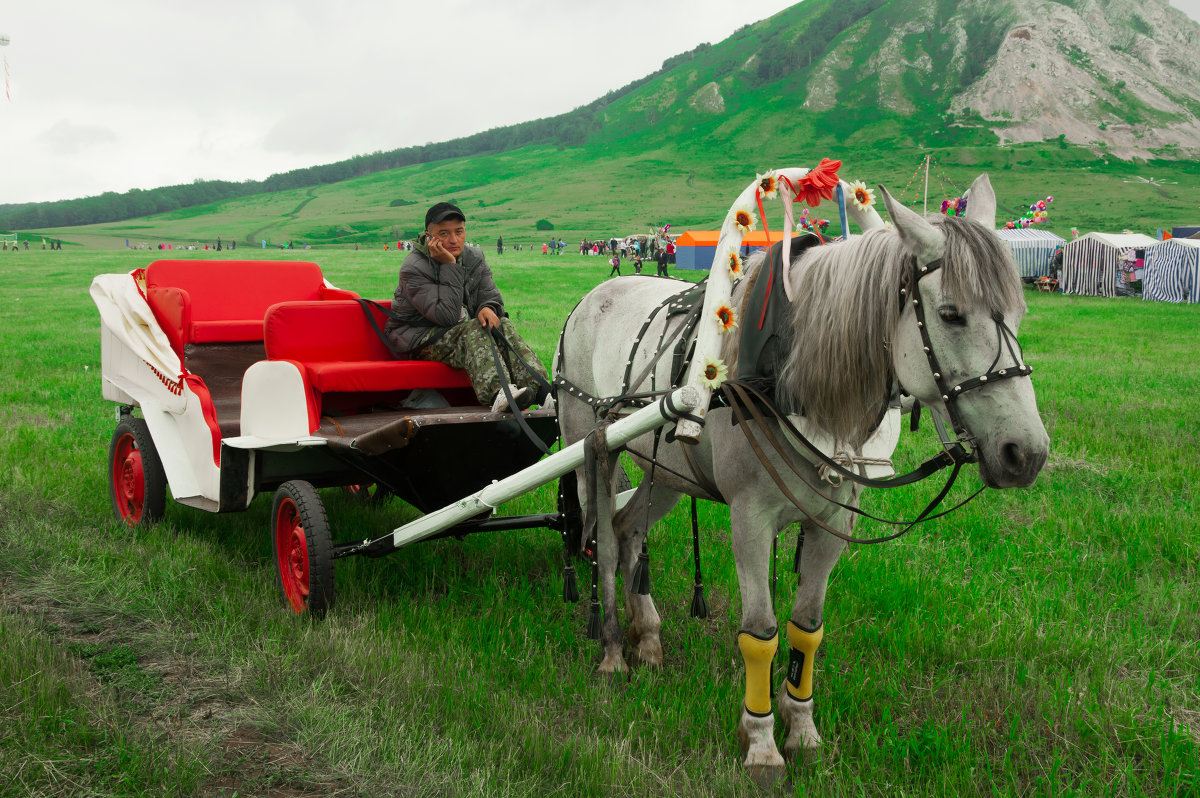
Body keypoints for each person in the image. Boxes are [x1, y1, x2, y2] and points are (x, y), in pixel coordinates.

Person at [385, 202, 548, 412]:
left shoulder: (474, 257)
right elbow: (447, 317)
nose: (453, 240)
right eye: (444, 233)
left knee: (503, 324)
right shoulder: (413, 267)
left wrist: (488, 307)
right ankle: (500, 394)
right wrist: (450, 265)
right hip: (419, 338)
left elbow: (490, 295)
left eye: (459, 232)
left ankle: (542, 392)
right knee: (473, 329)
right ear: (429, 236)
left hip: (458, 330)